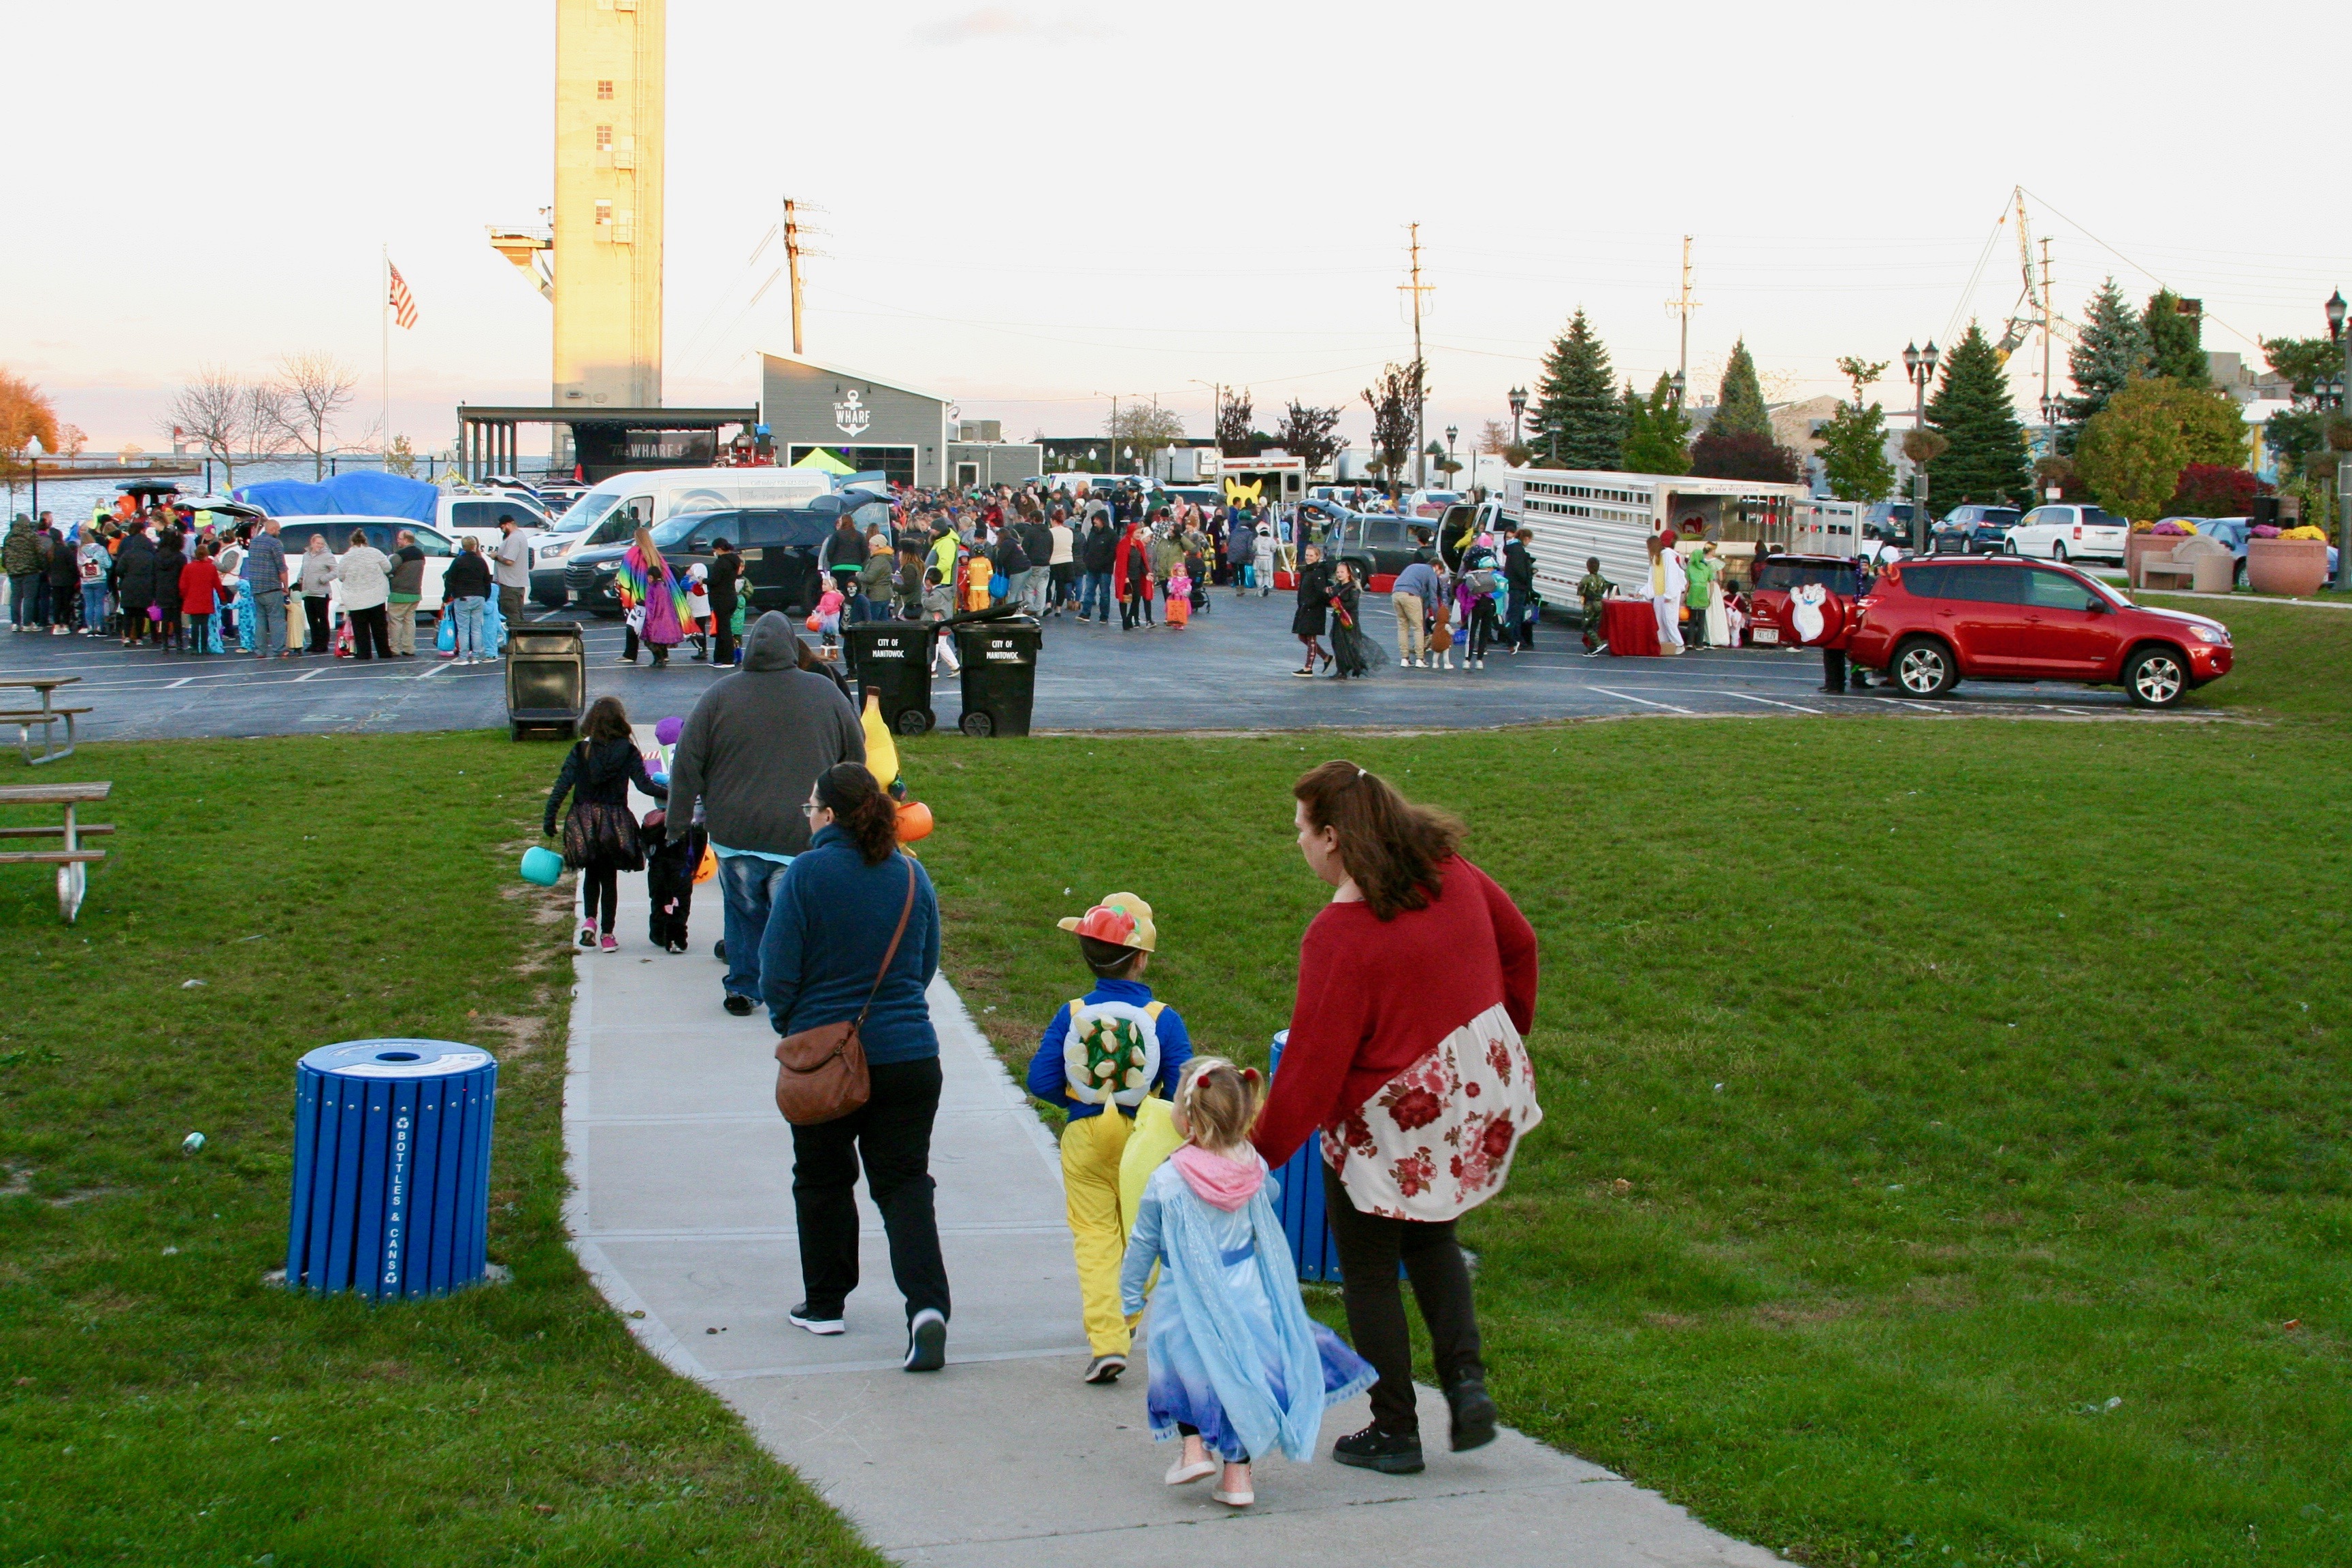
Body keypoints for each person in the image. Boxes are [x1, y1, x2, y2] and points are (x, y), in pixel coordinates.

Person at [1250, 760, 1541, 1477]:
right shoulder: (1454, 872)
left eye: (1300, 830)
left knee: (1370, 1269)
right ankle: (1467, 1385)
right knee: (1433, 1237)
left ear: (1333, 838)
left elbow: (1313, 1071)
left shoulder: (1339, 935)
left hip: (1396, 1115)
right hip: (1473, 1098)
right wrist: (1504, 1028)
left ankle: (1395, 1429)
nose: (1297, 843)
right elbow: (1522, 944)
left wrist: (1253, 1156)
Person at [1122, 1058, 1377, 1509]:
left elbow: (1143, 1240)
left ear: (1188, 1118)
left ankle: (1194, 1449)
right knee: (1239, 1376)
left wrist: (1129, 1296)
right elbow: (1271, 1197)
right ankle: (1237, 1480)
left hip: (1186, 1296)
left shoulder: (1169, 1178)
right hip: (1245, 1291)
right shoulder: (1253, 1169)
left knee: (1187, 1371)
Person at [763, 761, 950, 1373]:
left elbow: (777, 973)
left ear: (831, 815)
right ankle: (927, 1308)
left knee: (820, 1178)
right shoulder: (911, 876)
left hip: (825, 1058)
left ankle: (825, 1304)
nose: (809, 813)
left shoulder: (806, 874)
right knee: (904, 1183)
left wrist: (795, 1028)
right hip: (910, 1056)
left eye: (812, 805)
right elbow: (923, 966)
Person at [1026, 892, 1194, 1384]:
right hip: (1145, 1137)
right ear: (1142, 958)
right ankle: (1125, 1321)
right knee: (1146, 1235)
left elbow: (1040, 1080)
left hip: (1085, 1133)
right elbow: (1185, 1082)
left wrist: (1079, 1101)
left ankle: (1106, 1343)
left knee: (1095, 1237)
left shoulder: (1073, 1011)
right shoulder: (1164, 1017)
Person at [666, 613, 864, 1016]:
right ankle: (795, 989)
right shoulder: (825, 693)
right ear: (793, 647)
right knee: (794, 918)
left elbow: (686, 762)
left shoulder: (719, 696)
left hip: (734, 831)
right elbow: (856, 757)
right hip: (802, 832)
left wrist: (677, 822)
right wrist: (853, 816)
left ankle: (743, 987)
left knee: (743, 912)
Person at [542, 694, 668, 953]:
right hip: (614, 821)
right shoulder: (628, 750)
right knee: (609, 878)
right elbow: (644, 785)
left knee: (591, 872)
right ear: (620, 720)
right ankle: (608, 934)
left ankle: (589, 921)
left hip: (583, 820)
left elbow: (563, 785)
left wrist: (550, 817)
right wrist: (676, 794)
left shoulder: (581, 750)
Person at [616, 525, 689, 668]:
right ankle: (664, 654)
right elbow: (667, 576)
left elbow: (624, 576)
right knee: (659, 625)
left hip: (640, 595)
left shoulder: (633, 553)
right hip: (659, 594)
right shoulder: (656, 554)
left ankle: (630, 654)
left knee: (633, 624)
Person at [641, 800, 707, 953]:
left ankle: (659, 930)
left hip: (661, 858)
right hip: (685, 834)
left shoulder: (651, 823)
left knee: (659, 894)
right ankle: (676, 937)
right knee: (680, 897)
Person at [334, 528, 394, 661]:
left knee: (360, 628)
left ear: (352, 542)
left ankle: (364, 653)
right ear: (365, 540)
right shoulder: (375, 552)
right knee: (379, 626)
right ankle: (384, 651)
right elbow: (388, 568)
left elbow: (341, 576)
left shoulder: (347, 557)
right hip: (376, 594)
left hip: (355, 597)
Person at [244, 518, 291, 659]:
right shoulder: (275, 543)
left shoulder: (254, 542)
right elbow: (281, 567)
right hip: (271, 586)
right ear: (273, 529)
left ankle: (260, 650)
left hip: (256, 587)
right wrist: (286, 586)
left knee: (261, 620)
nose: (280, 532)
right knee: (277, 619)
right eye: (279, 530)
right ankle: (280, 649)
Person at [443, 536, 494, 663]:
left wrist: (446, 596)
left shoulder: (458, 561)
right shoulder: (481, 562)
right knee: (476, 628)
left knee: (463, 629)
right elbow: (487, 581)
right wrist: (486, 596)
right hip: (479, 596)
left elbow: (450, 580)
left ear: (463, 546)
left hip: (463, 597)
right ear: (475, 546)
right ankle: (476, 656)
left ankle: (463, 657)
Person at [1327, 561, 1379, 680]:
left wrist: (1339, 605)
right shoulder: (1337, 587)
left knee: (1348, 644)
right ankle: (1341, 670)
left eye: (1342, 572)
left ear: (1349, 574)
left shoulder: (1353, 587)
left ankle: (1352, 667)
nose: (1340, 574)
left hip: (1349, 620)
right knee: (1337, 644)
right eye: (1338, 572)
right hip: (1338, 619)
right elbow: (1330, 599)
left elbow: (1353, 603)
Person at [1390, 557, 1441, 669]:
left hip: (1396, 594)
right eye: (1439, 573)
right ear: (1437, 567)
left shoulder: (1413, 567)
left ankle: (1404, 659)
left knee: (1403, 627)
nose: (1438, 576)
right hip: (1411, 595)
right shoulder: (1431, 572)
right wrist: (1438, 617)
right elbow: (1433, 597)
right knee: (1418, 627)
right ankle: (1420, 659)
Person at [116, 522, 160, 647]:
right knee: (141, 613)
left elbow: (119, 570)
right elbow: (154, 571)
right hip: (145, 585)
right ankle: (139, 638)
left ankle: (128, 637)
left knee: (128, 613)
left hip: (129, 584)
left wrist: (125, 577)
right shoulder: (150, 556)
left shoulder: (127, 555)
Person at [1291, 544, 1331, 676]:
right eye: (1307, 555)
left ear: (1318, 557)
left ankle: (1308, 668)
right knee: (1302, 636)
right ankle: (1326, 657)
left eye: (1311, 555)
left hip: (1314, 609)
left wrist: (1309, 604)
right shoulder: (1307, 571)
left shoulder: (1318, 572)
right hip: (1304, 607)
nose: (1308, 558)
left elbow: (1321, 592)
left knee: (1311, 637)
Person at [386, 529, 427, 657]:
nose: (397, 540)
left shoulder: (400, 555)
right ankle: (409, 648)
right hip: (415, 593)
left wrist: (391, 576)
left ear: (406, 540)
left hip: (399, 593)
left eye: (399, 538)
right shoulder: (420, 554)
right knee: (409, 621)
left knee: (395, 621)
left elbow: (388, 569)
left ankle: (395, 648)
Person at [179, 540, 223, 655]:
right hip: (206, 599)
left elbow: (182, 586)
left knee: (194, 624)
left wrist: (185, 597)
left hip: (192, 599)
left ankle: (194, 647)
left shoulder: (188, 568)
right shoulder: (211, 568)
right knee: (204, 624)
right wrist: (223, 598)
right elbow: (217, 585)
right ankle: (203, 647)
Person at [705, 538, 742, 667]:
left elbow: (714, 580)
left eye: (715, 550)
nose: (714, 552)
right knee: (723, 628)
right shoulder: (735, 560)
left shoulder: (721, 563)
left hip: (721, 598)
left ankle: (727, 659)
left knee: (724, 629)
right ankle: (719, 659)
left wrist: (703, 580)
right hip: (731, 596)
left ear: (719, 549)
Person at [297, 533, 336, 655]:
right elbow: (303, 569)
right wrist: (300, 578)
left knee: (322, 618)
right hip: (308, 592)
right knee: (311, 619)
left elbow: (337, 570)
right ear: (312, 543)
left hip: (321, 593)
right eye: (318, 543)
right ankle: (314, 643)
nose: (320, 546)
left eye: (322, 543)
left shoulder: (328, 556)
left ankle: (323, 644)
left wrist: (324, 578)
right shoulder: (306, 555)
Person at [492, 514, 532, 627]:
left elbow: (509, 561)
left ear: (508, 525)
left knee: (511, 616)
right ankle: (520, 639)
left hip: (510, 583)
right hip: (516, 582)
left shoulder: (514, 538)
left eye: (502, 527)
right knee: (517, 614)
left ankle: (515, 641)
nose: (501, 530)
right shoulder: (520, 536)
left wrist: (496, 556)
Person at [1502, 528, 1538, 653]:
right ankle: (1515, 639)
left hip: (1513, 586)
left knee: (1513, 613)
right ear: (1526, 538)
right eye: (1530, 540)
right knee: (1516, 615)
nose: (1529, 542)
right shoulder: (1518, 550)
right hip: (1518, 587)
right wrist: (1527, 578)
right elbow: (1519, 569)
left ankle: (1513, 638)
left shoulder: (1512, 548)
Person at [1650, 534, 1686, 655]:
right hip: (1662, 593)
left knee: (1669, 620)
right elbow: (1655, 579)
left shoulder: (1668, 557)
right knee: (1662, 620)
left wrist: (1669, 595)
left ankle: (1679, 643)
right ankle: (1664, 642)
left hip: (1668, 593)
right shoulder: (1661, 557)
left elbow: (1671, 577)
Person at [152, 529, 188, 650]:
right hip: (176, 588)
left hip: (161, 588)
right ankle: (179, 642)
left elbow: (153, 575)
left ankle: (164, 643)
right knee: (177, 617)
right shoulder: (181, 557)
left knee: (165, 617)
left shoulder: (157, 556)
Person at [1079, 512, 1115, 624]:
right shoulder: (1093, 532)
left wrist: (1102, 563)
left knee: (1104, 594)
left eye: (1097, 519)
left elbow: (1113, 553)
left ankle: (1104, 616)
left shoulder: (1111, 535)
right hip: (1091, 568)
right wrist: (1086, 558)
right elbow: (1087, 546)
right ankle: (1085, 613)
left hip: (1104, 570)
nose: (1094, 522)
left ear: (1103, 521)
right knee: (1089, 591)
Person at [43, 517, 77, 635]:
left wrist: (50, 576)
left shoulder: (50, 552)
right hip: (67, 580)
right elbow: (73, 565)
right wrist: (75, 577)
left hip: (55, 580)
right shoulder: (66, 550)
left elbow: (46, 567)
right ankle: (66, 624)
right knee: (67, 603)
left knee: (57, 603)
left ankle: (56, 625)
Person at [3, 514, 37, 630]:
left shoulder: (9, 537)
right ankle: (28, 623)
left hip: (13, 571)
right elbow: (40, 552)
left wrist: (6, 566)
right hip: (30, 570)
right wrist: (40, 566)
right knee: (29, 597)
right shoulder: (31, 536)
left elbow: (5, 554)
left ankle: (15, 623)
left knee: (15, 597)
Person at [1577, 556, 1614, 655]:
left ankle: (1598, 643)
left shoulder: (1587, 578)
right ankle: (1592, 648)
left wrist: (1583, 595)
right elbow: (1606, 586)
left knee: (1586, 626)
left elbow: (1581, 589)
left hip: (1590, 603)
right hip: (1599, 603)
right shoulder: (1601, 578)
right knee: (1595, 626)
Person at [1683, 540, 1716, 650]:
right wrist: (1710, 597)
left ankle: (1689, 642)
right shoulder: (1707, 568)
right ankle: (1700, 644)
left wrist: (1684, 597)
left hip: (1693, 593)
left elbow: (1687, 584)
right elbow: (1711, 583)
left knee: (1692, 620)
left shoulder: (1690, 568)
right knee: (1701, 620)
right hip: (1703, 593)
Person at [1164, 563, 1192, 629]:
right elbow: (1169, 587)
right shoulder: (1172, 580)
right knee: (1174, 609)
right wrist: (1172, 590)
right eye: (1180, 571)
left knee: (1182, 610)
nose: (1182, 573)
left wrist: (1184, 591)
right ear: (1176, 572)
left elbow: (1189, 588)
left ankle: (1181, 623)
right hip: (1174, 597)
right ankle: (1175, 623)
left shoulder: (1186, 580)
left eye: (1183, 571)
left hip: (1182, 598)